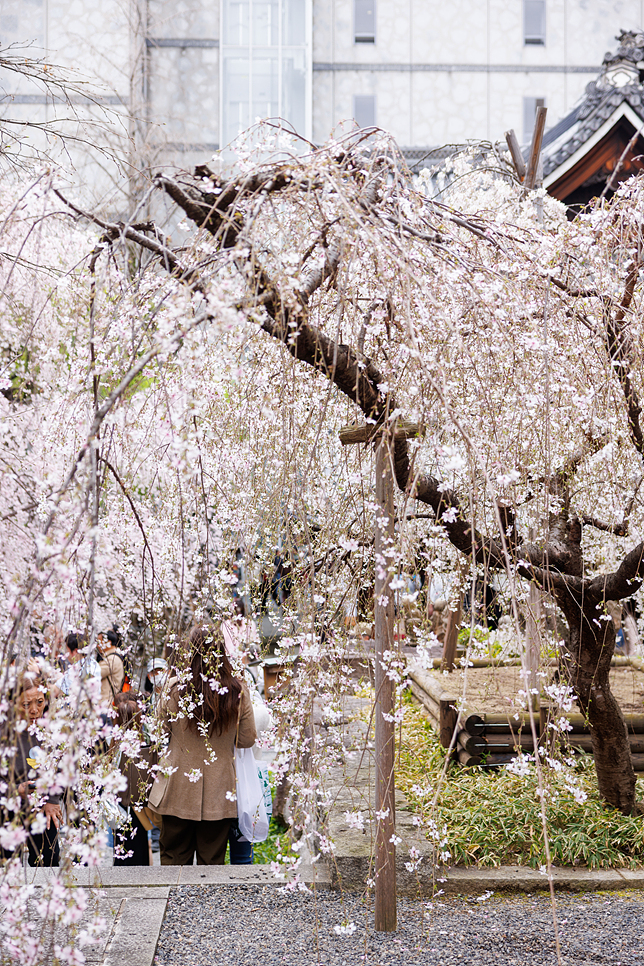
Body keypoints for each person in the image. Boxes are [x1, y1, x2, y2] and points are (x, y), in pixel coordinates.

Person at [148, 625, 256, 865]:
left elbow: (157, 732)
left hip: (176, 786)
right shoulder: (237, 690)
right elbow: (247, 739)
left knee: (173, 858)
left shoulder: (174, 688)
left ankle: (172, 903)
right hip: (220, 789)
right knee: (212, 861)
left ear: (189, 652)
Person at [3, 673, 61, 866]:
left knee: (49, 859)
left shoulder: (51, 728)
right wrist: (16, 790)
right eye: (26, 705)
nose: (35, 710)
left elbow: (61, 766)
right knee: (9, 862)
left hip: (42, 803)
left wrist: (52, 799)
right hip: (8, 804)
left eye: (40, 702)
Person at [111, 691, 153, 866]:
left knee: (121, 847)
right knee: (141, 847)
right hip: (139, 808)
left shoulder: (111, 747)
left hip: (119, 807)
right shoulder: (146, 746)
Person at [54, 632, 102, 707]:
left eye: (67, 651)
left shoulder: (76, 668)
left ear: (76, 651)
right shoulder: (94, 664)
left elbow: (56, 691)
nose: (66, 655)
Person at [97, 629, 125, 707]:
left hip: (106, 704)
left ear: (108, 642)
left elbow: (94, 673)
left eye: (100, 642)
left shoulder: (112, 659)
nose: (97, 645)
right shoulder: (112, 656)